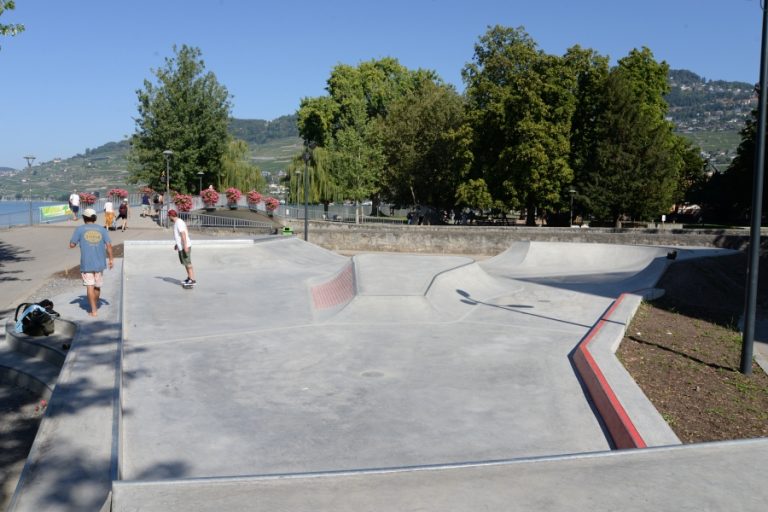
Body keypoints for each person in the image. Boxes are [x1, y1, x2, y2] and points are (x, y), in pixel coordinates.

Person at [69, 208, 113, 317]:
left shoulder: (79, 229)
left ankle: (93, 310)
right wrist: (111, 259)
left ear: (84, 218)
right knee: (97, 286)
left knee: (90, 286)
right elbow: (109, 245)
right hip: (100, 263)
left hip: (87, 263)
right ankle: (95, 304)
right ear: (95, 217)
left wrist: (75, 243)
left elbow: (72, 245)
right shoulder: (102, 229)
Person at [168, 209, 196, 286]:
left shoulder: (179, 223)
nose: (169, 218)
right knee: (185, 263)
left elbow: (183, 234)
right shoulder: (178, 222)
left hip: (184, 246)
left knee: (188, 262)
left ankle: (192, 280)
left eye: (169, 216)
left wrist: (185, 245)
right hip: (182, 245)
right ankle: (189, 278)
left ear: (171, 216)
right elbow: (182, 234)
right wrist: (177, 244)